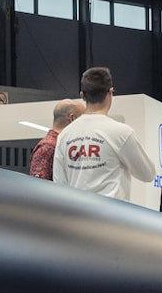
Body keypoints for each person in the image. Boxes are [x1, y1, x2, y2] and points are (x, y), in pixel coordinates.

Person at [52, 67, 155, 199]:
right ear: (110, 93)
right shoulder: (121, 132)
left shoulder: (65, 135)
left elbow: (59, 183)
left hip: (76, 210)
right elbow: (147, 174)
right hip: (111, 211)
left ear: (82, 95)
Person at [28, 99, 83, 181]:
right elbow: (37, 185)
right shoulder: (48, 147)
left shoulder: (61, 144)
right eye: (82, 119)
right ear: (73, 118)